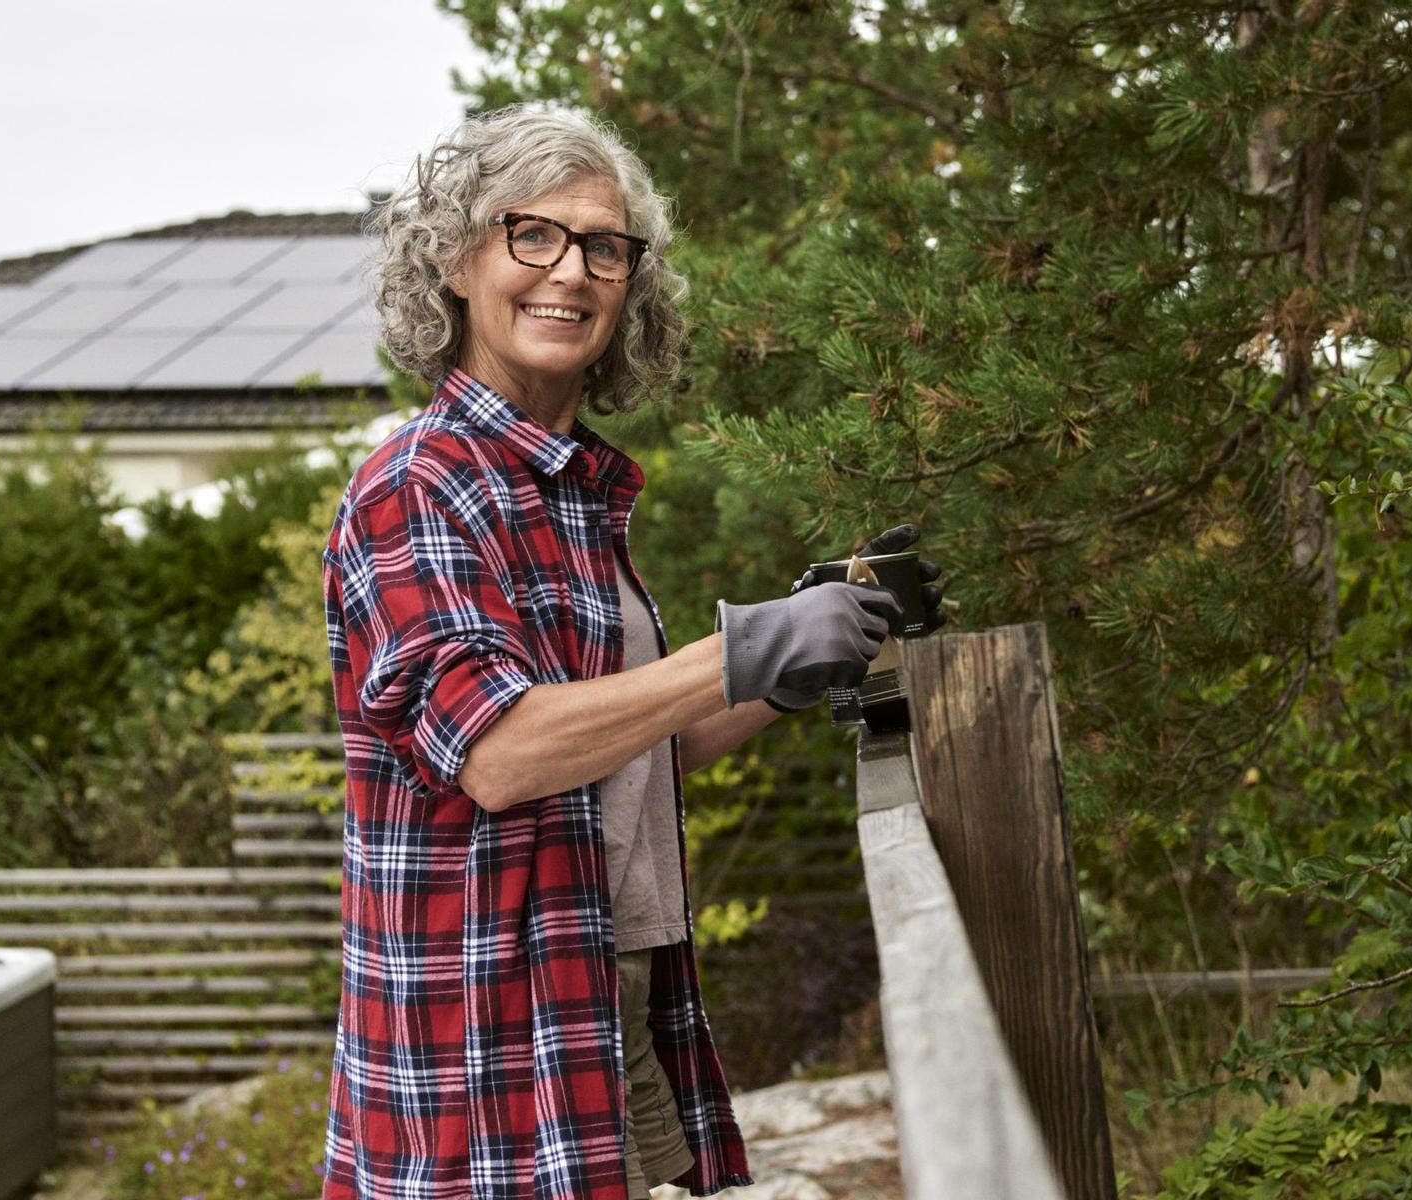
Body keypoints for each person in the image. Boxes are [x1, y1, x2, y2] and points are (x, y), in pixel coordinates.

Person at [317, 105, 945, 1200]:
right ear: (457, 261)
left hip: (613, 995)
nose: (571, 271)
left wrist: (800, 657)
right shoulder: (417, 490)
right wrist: (741, 645)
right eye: (534, 235)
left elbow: (618, 756)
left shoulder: (564, 493)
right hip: (487, 1038)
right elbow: (504, 754)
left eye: (604, 247)